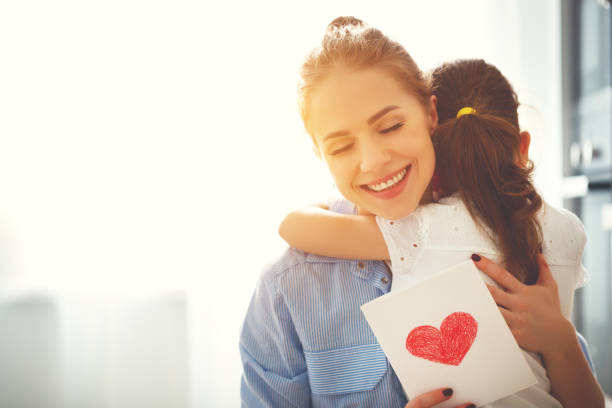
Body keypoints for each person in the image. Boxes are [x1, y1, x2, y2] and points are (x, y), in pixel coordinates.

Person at [240, 17, 602, 407]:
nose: (374, 160)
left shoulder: (509, 244)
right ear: (318, 151)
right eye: (341, 147)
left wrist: (562, 341)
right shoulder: (287, 290)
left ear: (431, 114)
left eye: (392, 125)